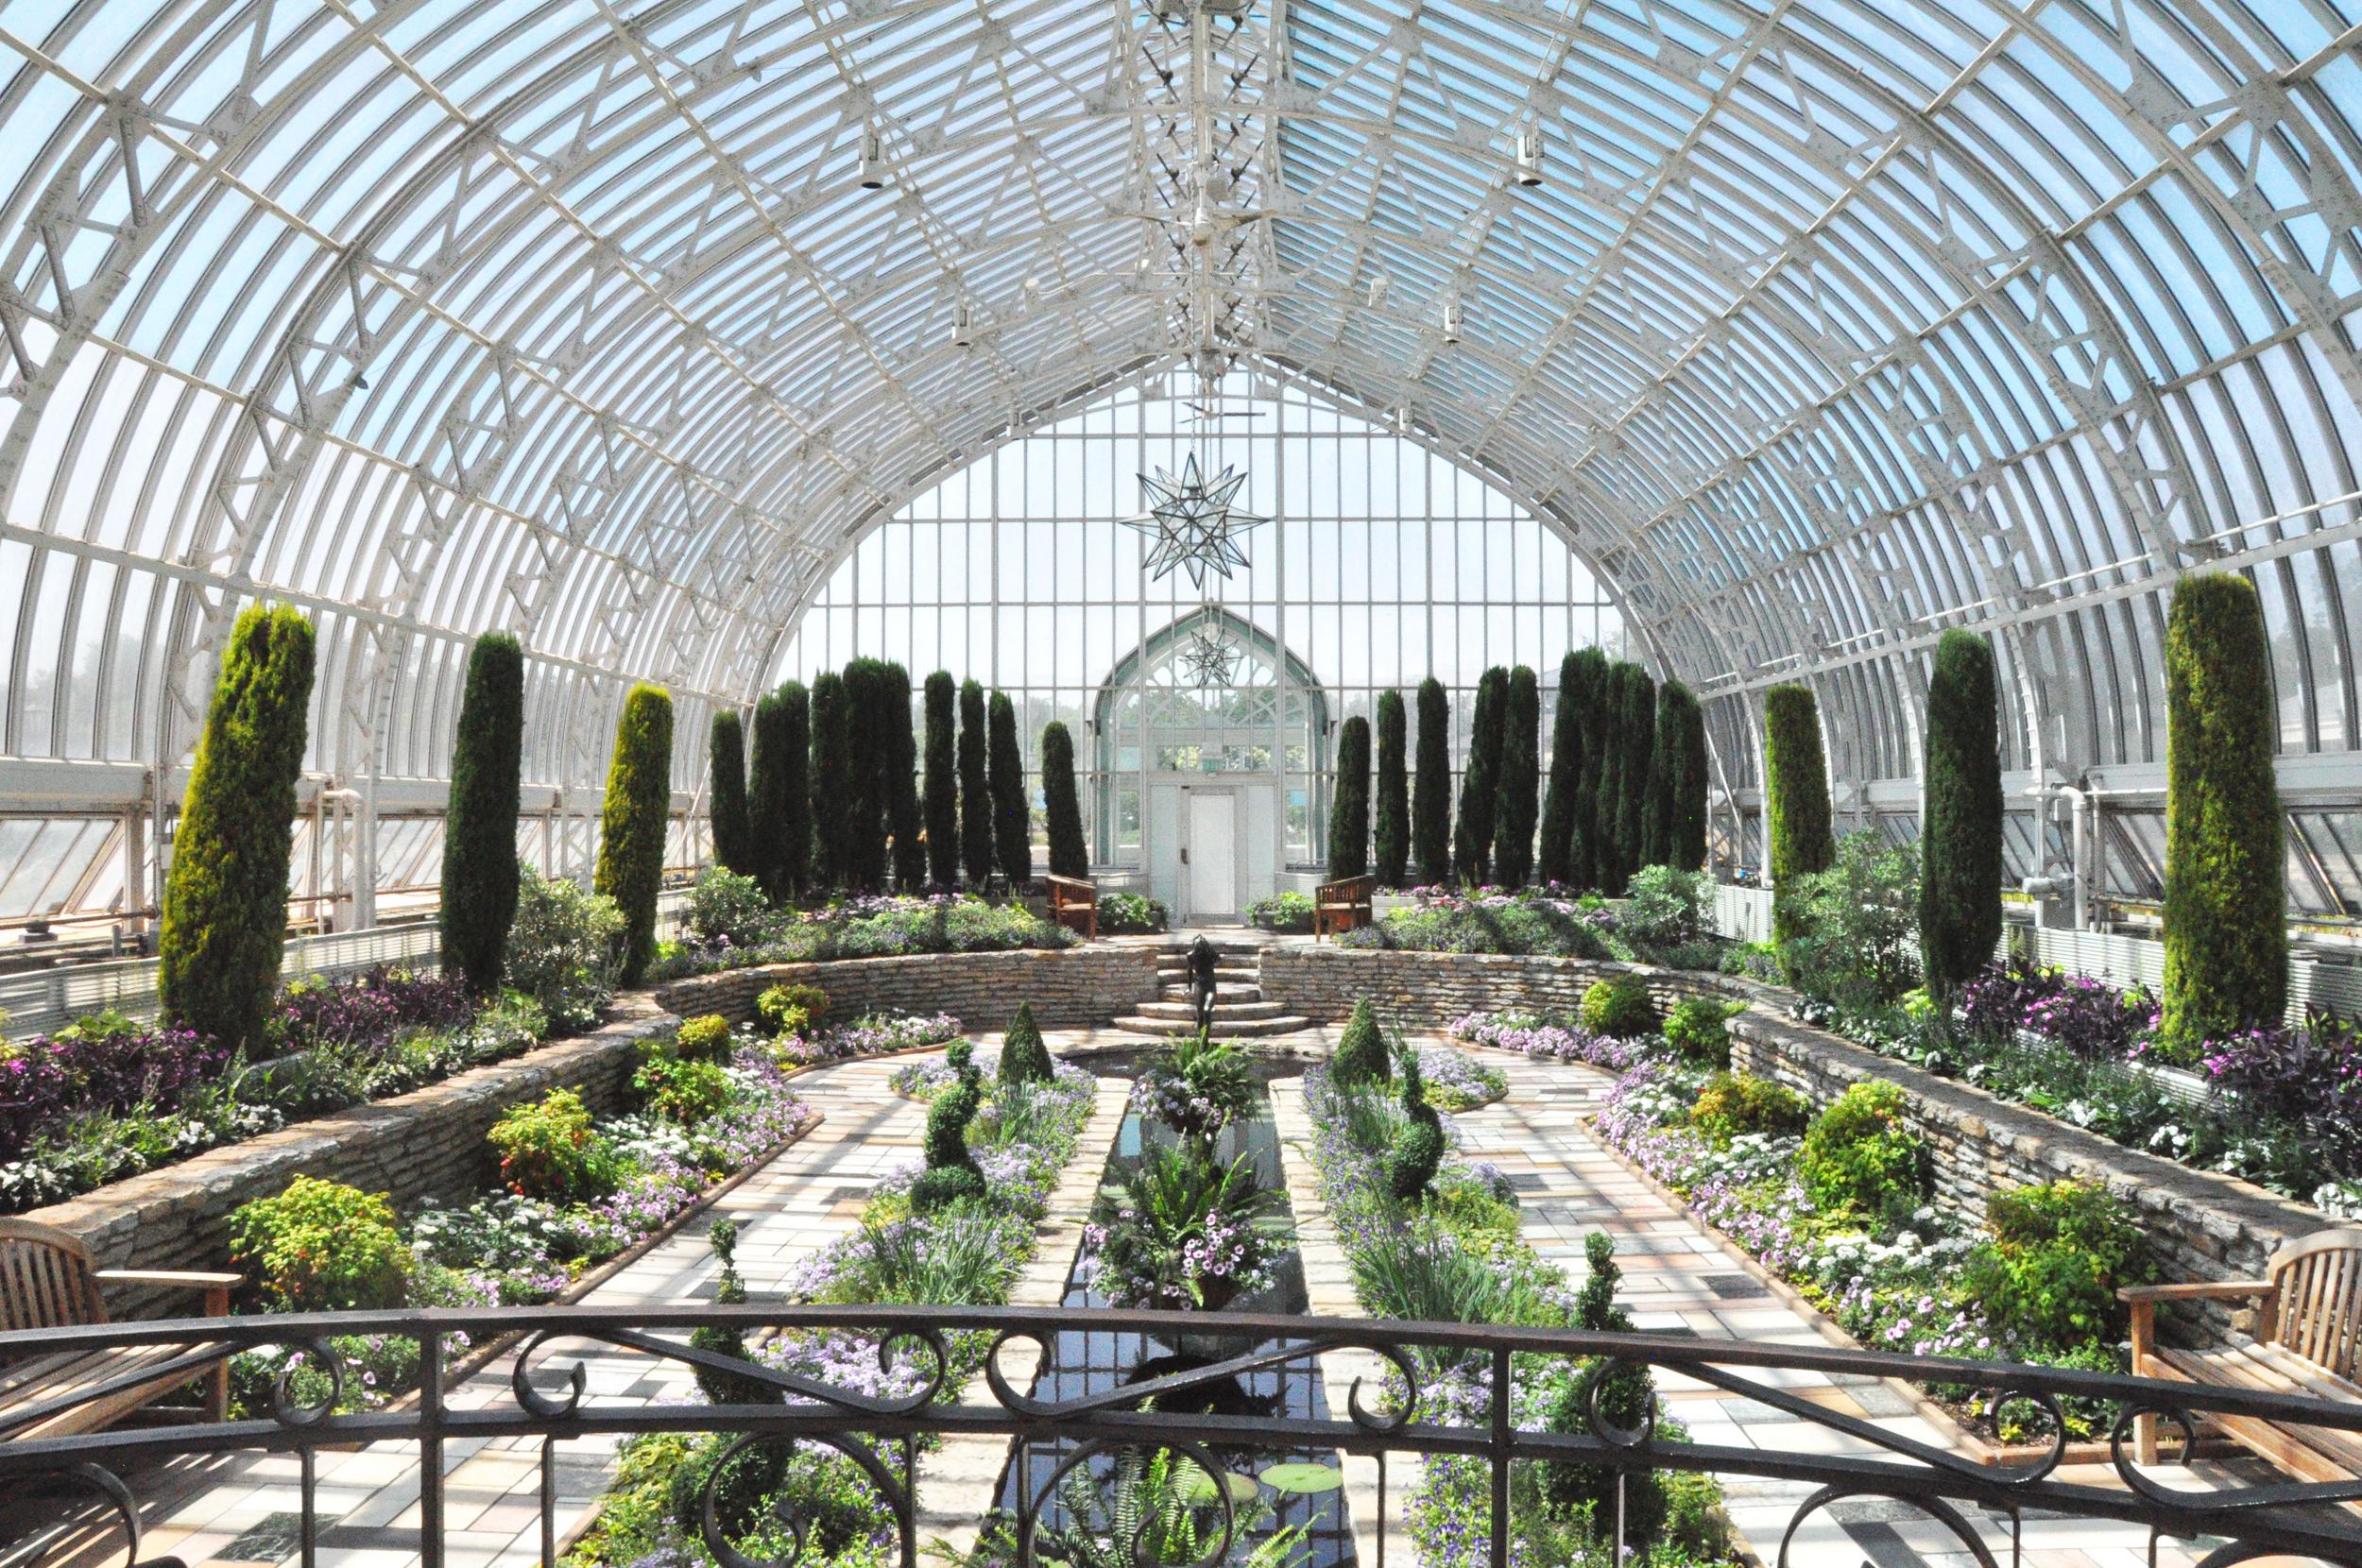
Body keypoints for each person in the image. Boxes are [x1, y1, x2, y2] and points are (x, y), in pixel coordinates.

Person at [1187, 934, 1218, 1035]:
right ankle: (1202, 1040)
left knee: (1206, 1009)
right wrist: (1190, 987)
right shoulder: (1191, 955)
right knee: (1200, 1014)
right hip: (1199, 985)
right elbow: (1189, 972)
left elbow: (1218, 959)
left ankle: (1205, 1038)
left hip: (1210, 985)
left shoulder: (1210, 954)